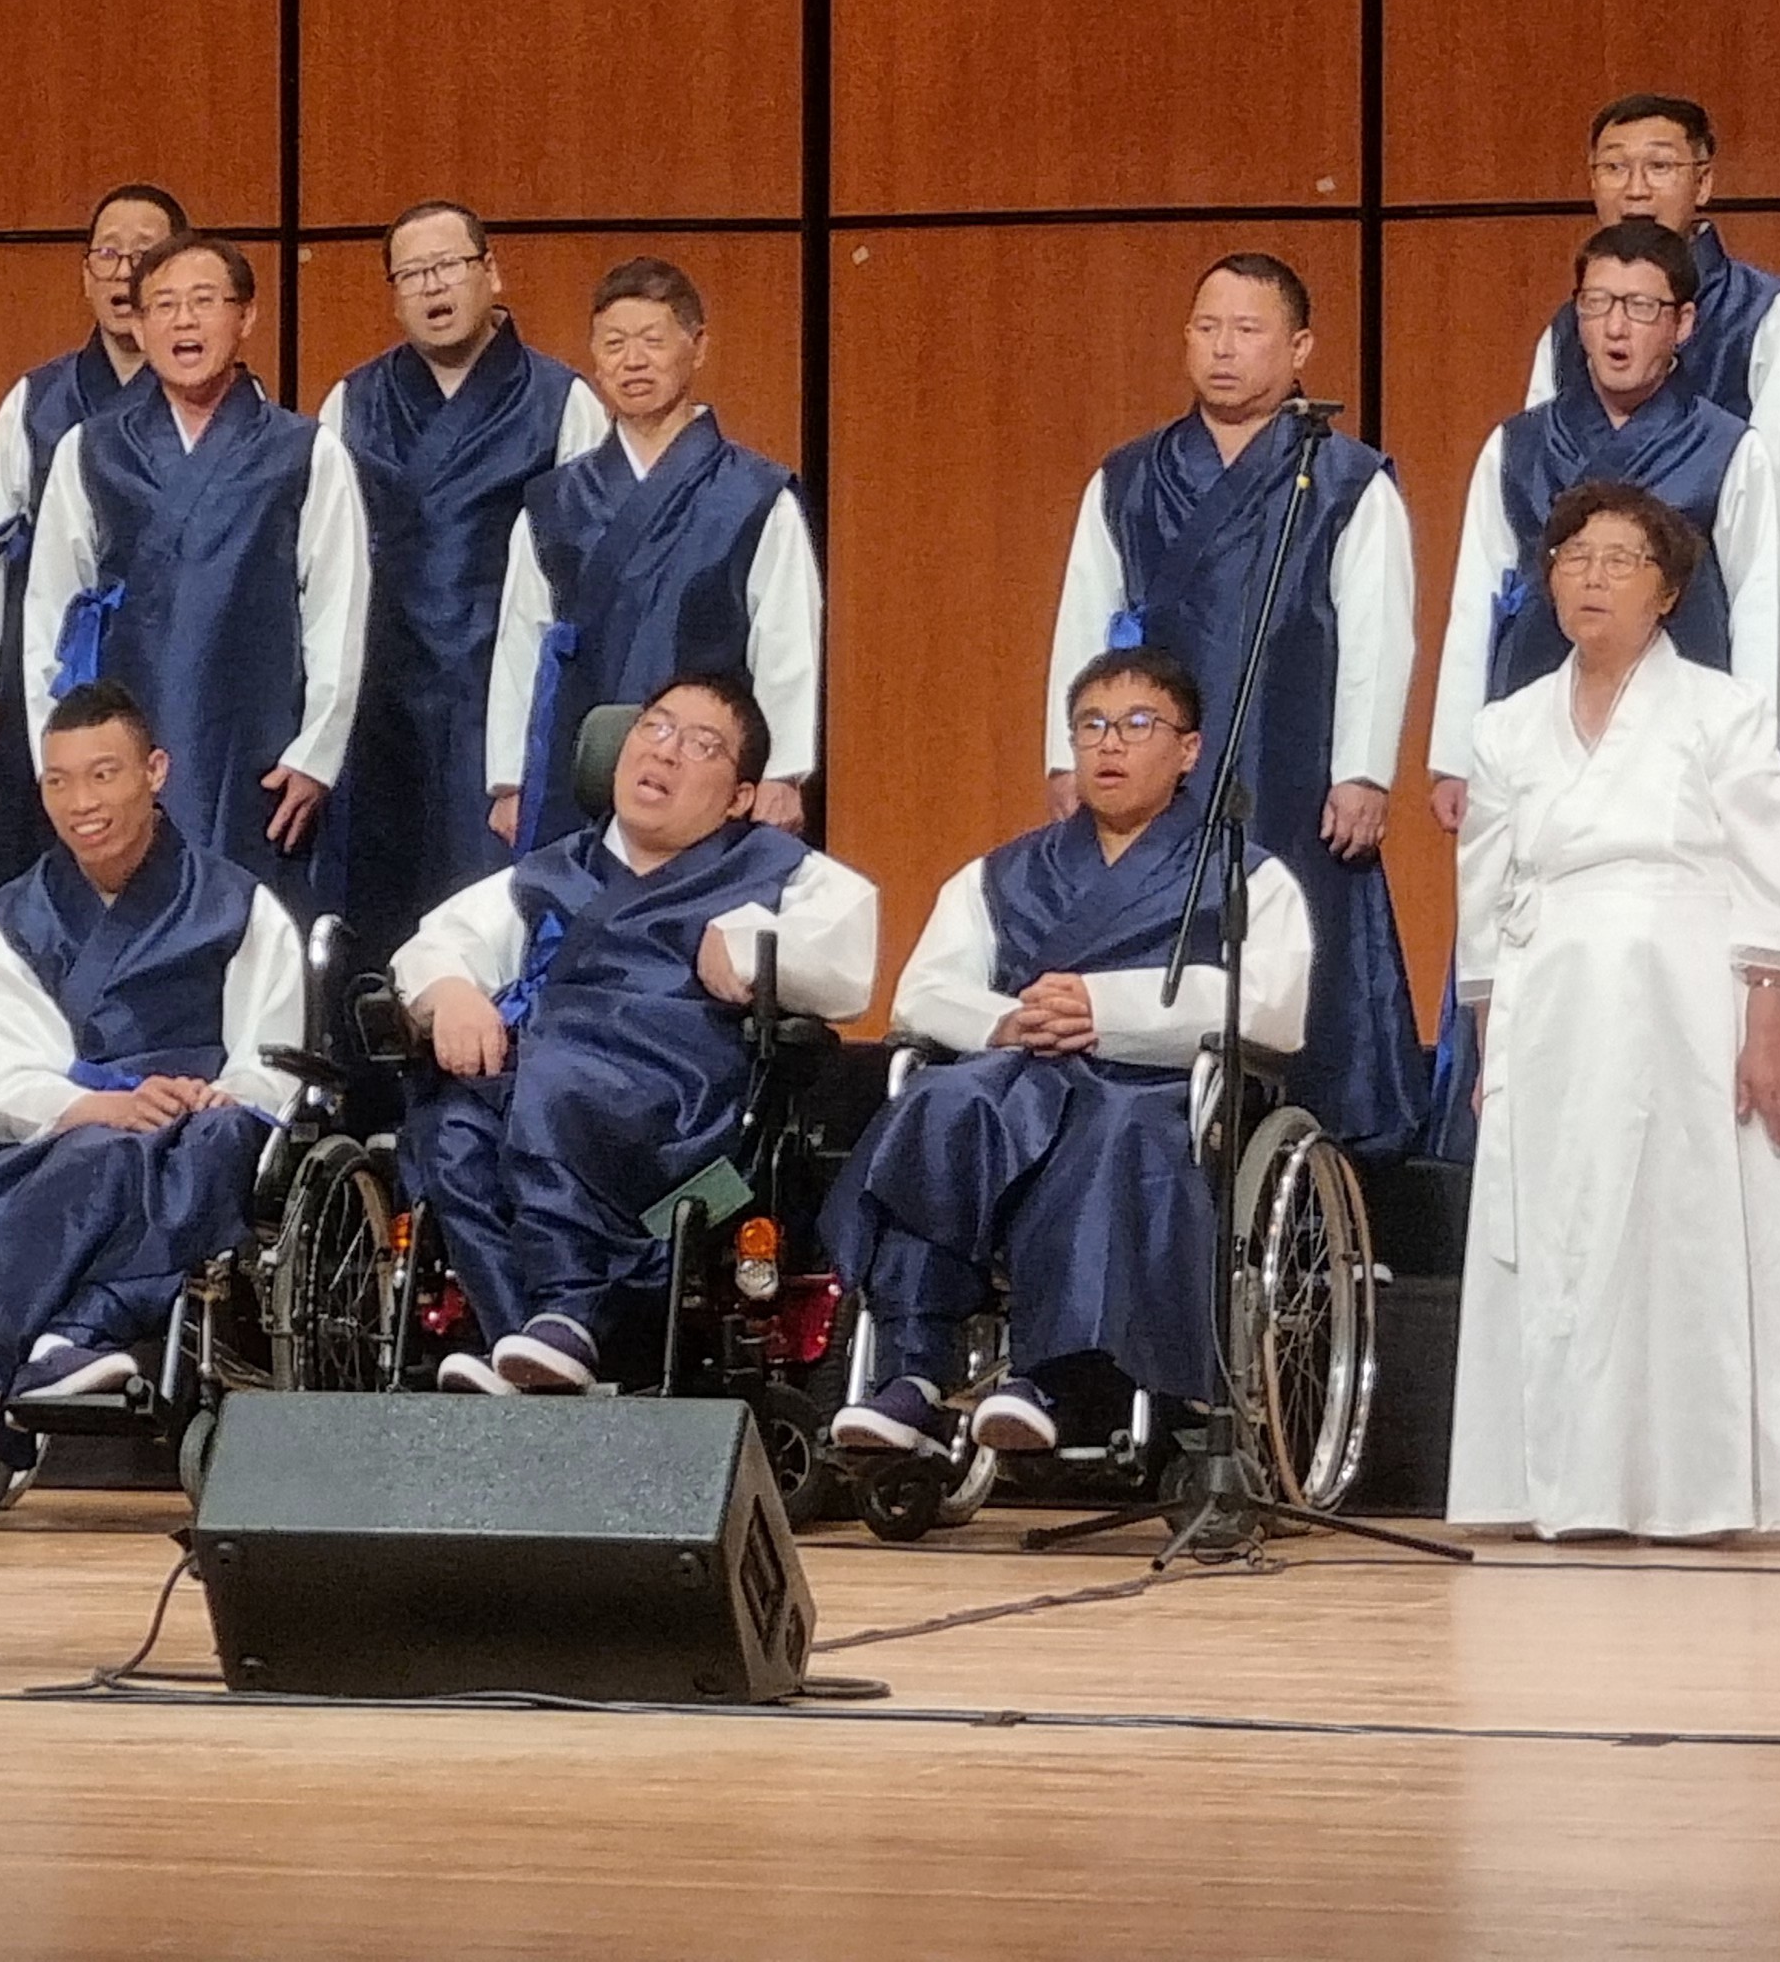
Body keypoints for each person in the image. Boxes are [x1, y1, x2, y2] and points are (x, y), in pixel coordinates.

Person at [1444, 484, 1780, 1540]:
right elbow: (1484, 901)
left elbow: (1768, 879)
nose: (1593, 577)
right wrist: (1489, 1051)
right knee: (1559, 1223)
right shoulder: (1506, 727)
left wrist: (1767, 1029)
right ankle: (1555, 1480)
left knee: (1675, 1224)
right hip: (1549, 993)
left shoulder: (1723, 710)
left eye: (1621, 560)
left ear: (1667, 592)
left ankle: (1685, 1482)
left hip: (1684, 985)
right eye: (1575, 557)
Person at [826, 651, 1313, 1462]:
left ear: (1189, 750)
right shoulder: (1003, 873)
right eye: (1091, 726)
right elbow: (922, 992)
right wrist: (1013, 1020)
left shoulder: (1246, 875)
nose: (1109, 744)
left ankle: (1056, 1379)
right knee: (941, 1104)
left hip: (1151, 1087)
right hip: (1017, 1069)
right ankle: (912, 1370)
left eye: (1137, 724)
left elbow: (1271, 1006)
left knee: (1108, 1127)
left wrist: (1103, 1011)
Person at [392, 672, 875, 1394]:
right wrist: (452, 993)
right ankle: (526, 1343)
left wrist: (752, 947)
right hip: (543, 1078)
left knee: (552, 1077)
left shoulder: (781, 872)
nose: (665, 752)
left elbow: (849, 967)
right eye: (655, 727)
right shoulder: (550, 872)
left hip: (683, 1105)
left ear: (741, 797)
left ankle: (570, 1311)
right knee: (449, 1127)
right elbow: (434, 945)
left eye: (702, 745)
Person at [1044, 253, 1424, 1159]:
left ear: (1299, 348)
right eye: (1207, 328)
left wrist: (1364, 771)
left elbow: (1380, 636)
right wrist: (1066, 754)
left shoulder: (1345, 479)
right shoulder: (1129, 477)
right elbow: (1083, 618)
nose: (1223, 349)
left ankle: (1317, 1147)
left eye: (1248, 330)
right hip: (1152, 754)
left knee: (1299, 926)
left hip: (1290, 752)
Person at [0, 680, 309, 1416]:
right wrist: (100, 1106)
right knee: (99, 1154)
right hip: (68, 1131)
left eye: (103, 775)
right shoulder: (10, 918)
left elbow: (270, 1056)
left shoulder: (236, 904)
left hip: (196, 1122)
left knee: (210, 1144)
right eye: (58, 782)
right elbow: (9, 1077)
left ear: (154, 771)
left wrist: (211, 1095)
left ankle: (9, 1351)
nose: (82, 803)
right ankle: (57, 1346)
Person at [18, 234, 368, 910]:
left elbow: (338, 607)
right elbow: (49, 612)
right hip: (122, 733)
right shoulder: (90, 449)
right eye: (165, 305)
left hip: (258, 739)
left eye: (204, 301)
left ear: (246, 316)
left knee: (249, 917)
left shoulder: (305, 451)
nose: (184, 321)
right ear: (138, 324)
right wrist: (55, 760)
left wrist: (316, 754)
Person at [1428, 220, 1780, 808]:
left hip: (1681, 736)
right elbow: (1476, 597)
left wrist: (1752, 754)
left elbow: (1757, 604)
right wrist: (1454, 757)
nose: (1616, 328)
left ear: (1683, 323)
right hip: (1536, 714)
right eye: (1597, 304)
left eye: (1642, 308)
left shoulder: (1726, 447)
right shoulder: (1518, 444)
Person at [321, 202, 601, 951]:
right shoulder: (352, 402)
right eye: (411, 274)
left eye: (447, 266)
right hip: (381, 701)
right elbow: (323, 565)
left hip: (501, 699)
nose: (432, 287)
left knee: (493, 921)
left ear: (491, 272)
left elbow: (585, 575)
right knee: (377, 923)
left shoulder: (562, 401)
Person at [484, 257, 820, 853]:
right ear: (594, 357)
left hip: (711, 772)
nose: (632, 361)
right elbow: (520, 644)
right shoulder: (554, 502)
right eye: (614, 344)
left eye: (652, 341)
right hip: (578, 769)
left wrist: (783, 772)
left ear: (698, 346)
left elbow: (786, 642)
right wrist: (512, 781)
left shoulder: (755, 494)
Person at [0, 183, 185, 916]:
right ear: (85, 275)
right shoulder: (37, 397)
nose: (124, 271)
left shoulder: (221, 401)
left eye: (144, 253)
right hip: (50, 659)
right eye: (108, 254)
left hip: (176, 656)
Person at [1521, 94, 1780, 582]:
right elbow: (1533, 479)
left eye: (1659, 166)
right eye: (1615, 167)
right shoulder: (1567, 327)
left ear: (1703, 182)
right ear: (1593, 183)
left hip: (1708, 607)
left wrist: (1769, 622)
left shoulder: (1766, 315)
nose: (1635, 190)